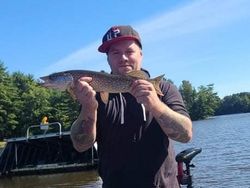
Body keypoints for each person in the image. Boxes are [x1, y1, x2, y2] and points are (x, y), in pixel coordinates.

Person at [70, 25, 192, 188]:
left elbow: (185, 135)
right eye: (115, 53)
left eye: (129, 51)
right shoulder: (94, 94)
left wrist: (155, 104)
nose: (123, 58)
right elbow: (81, 145)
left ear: (140, 55)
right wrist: (88, 107)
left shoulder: (163, 89)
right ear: (108, 59)